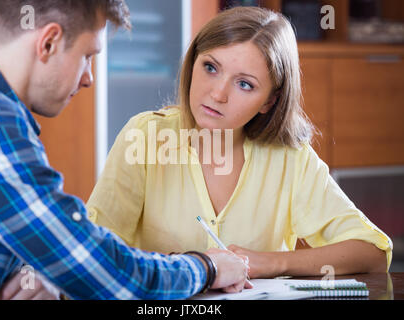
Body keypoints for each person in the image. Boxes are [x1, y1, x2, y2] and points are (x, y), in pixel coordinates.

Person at [0, 0, 250, 300]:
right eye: (87, 56)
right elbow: (105, 273)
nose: (88, 78)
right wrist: (207, 266)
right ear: (49, 42)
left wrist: (39, 271)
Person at [86, 6, 393, 280]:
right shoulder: (145, 136)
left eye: (245, 84)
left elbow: (372, 253)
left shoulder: (290, 158)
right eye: (210, 67)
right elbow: (93, 251)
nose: (218, 94)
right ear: (192, 63)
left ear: (269, 101)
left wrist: (273, 263)